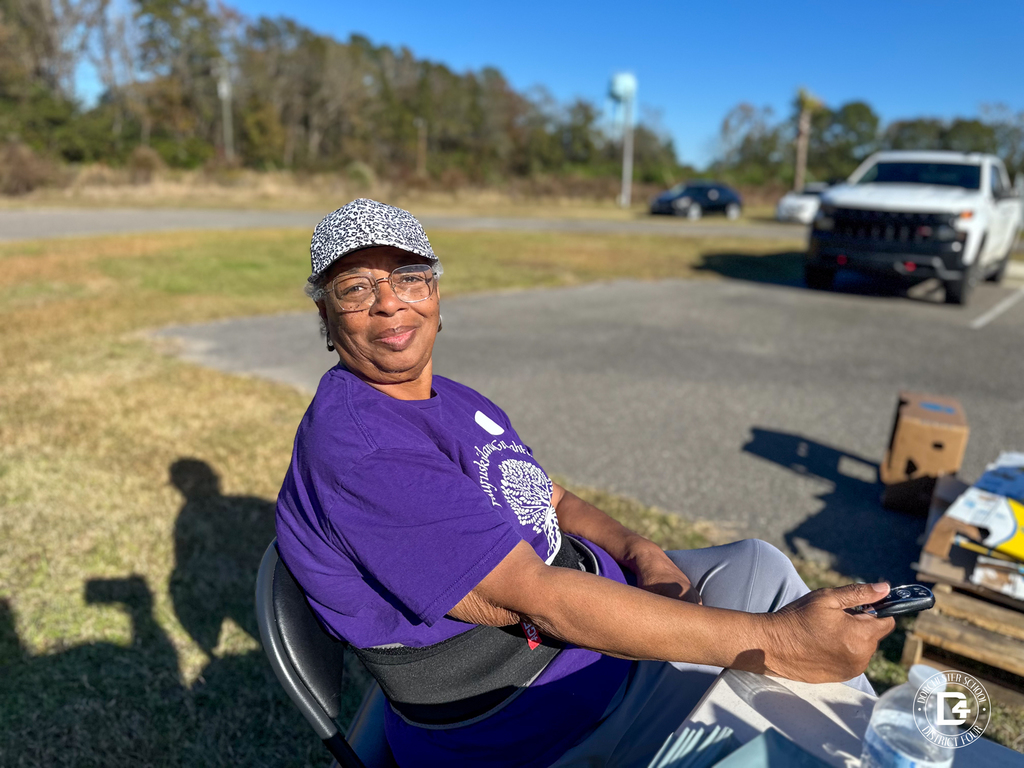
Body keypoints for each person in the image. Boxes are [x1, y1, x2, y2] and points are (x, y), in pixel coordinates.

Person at [275, 198, 894, 768]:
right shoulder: (364, 447)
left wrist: (640, 552)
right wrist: (776, 643)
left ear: (436, 294)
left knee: (759, 566)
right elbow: (531, 597)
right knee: (789, 715)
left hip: (598, 635)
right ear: (326, 318)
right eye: (356, 288)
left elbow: (550, 498)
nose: (390, 303)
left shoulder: (452, 399)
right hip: (547, 716)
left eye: (409, 277)